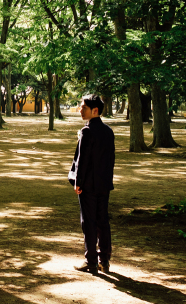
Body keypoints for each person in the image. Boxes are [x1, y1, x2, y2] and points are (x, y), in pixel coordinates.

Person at [68, 94, 115, 274]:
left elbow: (82, 161)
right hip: (104, 184)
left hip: (88, 185)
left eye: (84, 107)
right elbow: (111, 160)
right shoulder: (108, 131)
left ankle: (91, 261)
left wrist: (77, 183)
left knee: (89, 222)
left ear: (95, 110)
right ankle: (105, 260)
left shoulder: (87, 131)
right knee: (103, 221)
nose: (80, 109)